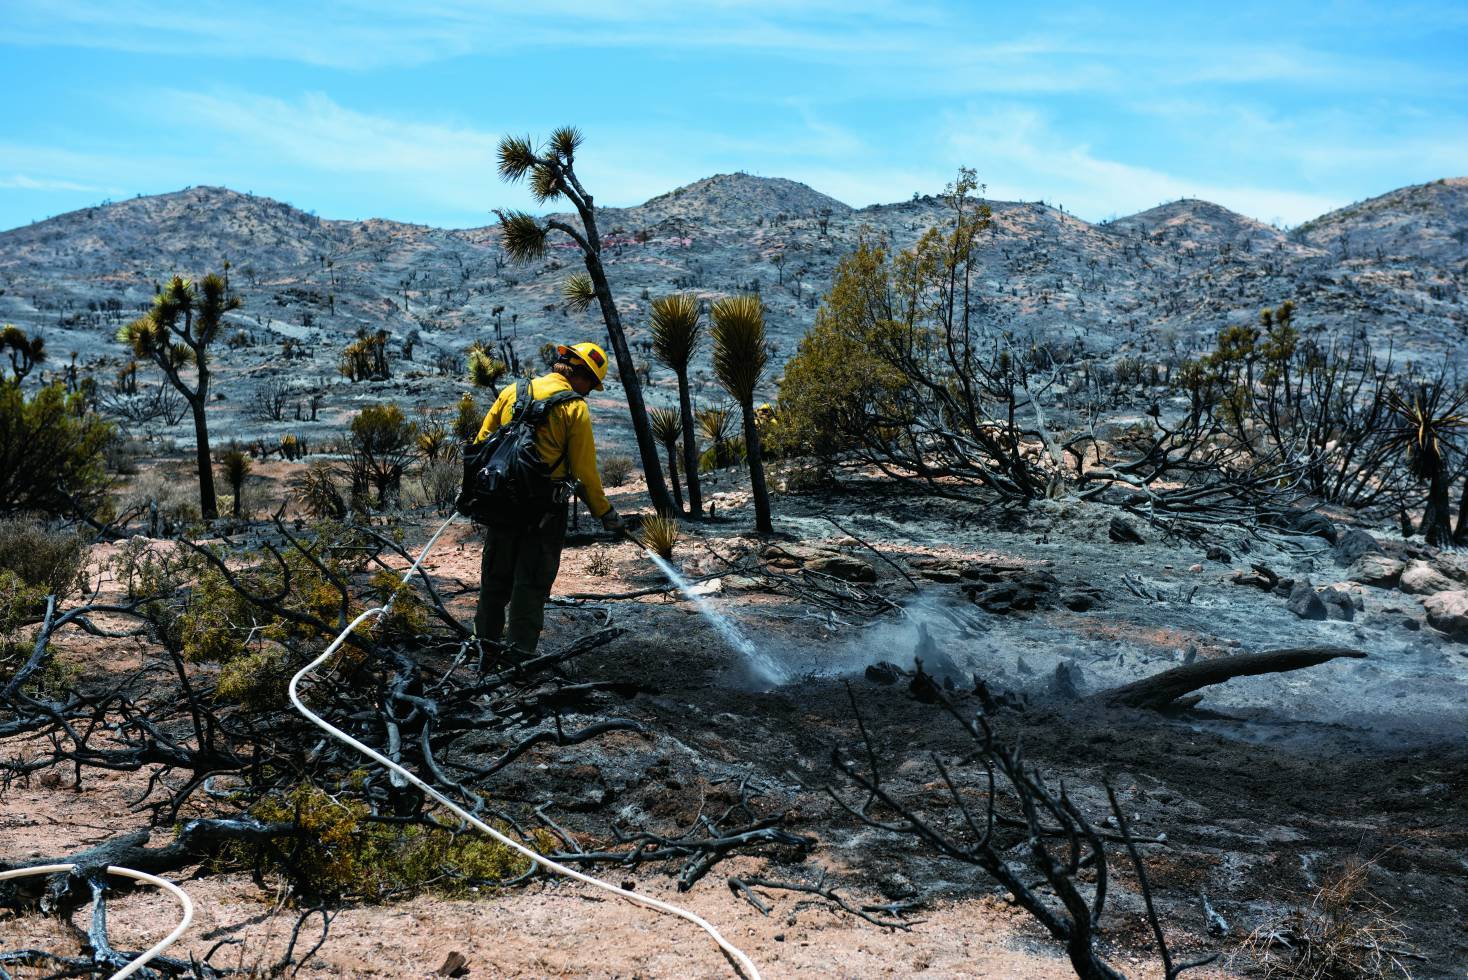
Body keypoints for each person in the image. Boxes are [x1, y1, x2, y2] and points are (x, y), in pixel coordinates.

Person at [474, 341, 625, 654]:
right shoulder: (574, 408)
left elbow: (480, 444)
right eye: (591, 385)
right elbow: (584, 473)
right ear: (581, 376)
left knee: (493, 584)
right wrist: (605, 514)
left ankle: (482, 655)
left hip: (501, 507)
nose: (588, 393)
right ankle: (518, 663)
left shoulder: (511, 392)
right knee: (529, 588)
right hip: (543, 515)